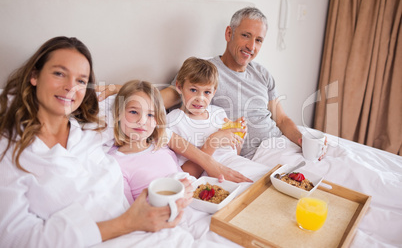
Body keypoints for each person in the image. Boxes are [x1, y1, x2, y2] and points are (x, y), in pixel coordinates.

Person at [0, 36, 194, 248]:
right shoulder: (11, 150)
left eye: (81, 81)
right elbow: (16, 239)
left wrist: (209, 163)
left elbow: (149, 102)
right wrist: (127, 223)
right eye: (59, 73)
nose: (70, 88)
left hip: (142, 229)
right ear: (34, 76)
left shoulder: (93, 126)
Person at [161, 7, 303, 159]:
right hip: (254, 156)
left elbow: (281, 119)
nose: (251, 46)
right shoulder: (204, 74)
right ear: (229, 33)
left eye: (258, 40)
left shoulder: (262, 73)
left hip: (280, 144)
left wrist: (302, 140)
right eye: (245, 36)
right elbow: (152, 102)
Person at [166, 57, 269, 180]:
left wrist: (238, 135)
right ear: (179, 87)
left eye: (207, 92)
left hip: (238, 164)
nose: (200, 98)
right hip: (213, 178)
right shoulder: (173, 122)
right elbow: (184, 175)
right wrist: (212, 142)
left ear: (214, 92)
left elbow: (233, 154)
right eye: (193, 90)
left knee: (273, 179)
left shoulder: (218, 113)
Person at [107, 79, 197, 204]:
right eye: (133, 112)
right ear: (118, 114)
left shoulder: (161, 146)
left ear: (157, 120)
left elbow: (182, 176)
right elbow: (129, 214)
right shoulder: (115, 163)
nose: (142, 121)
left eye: (150, 115)